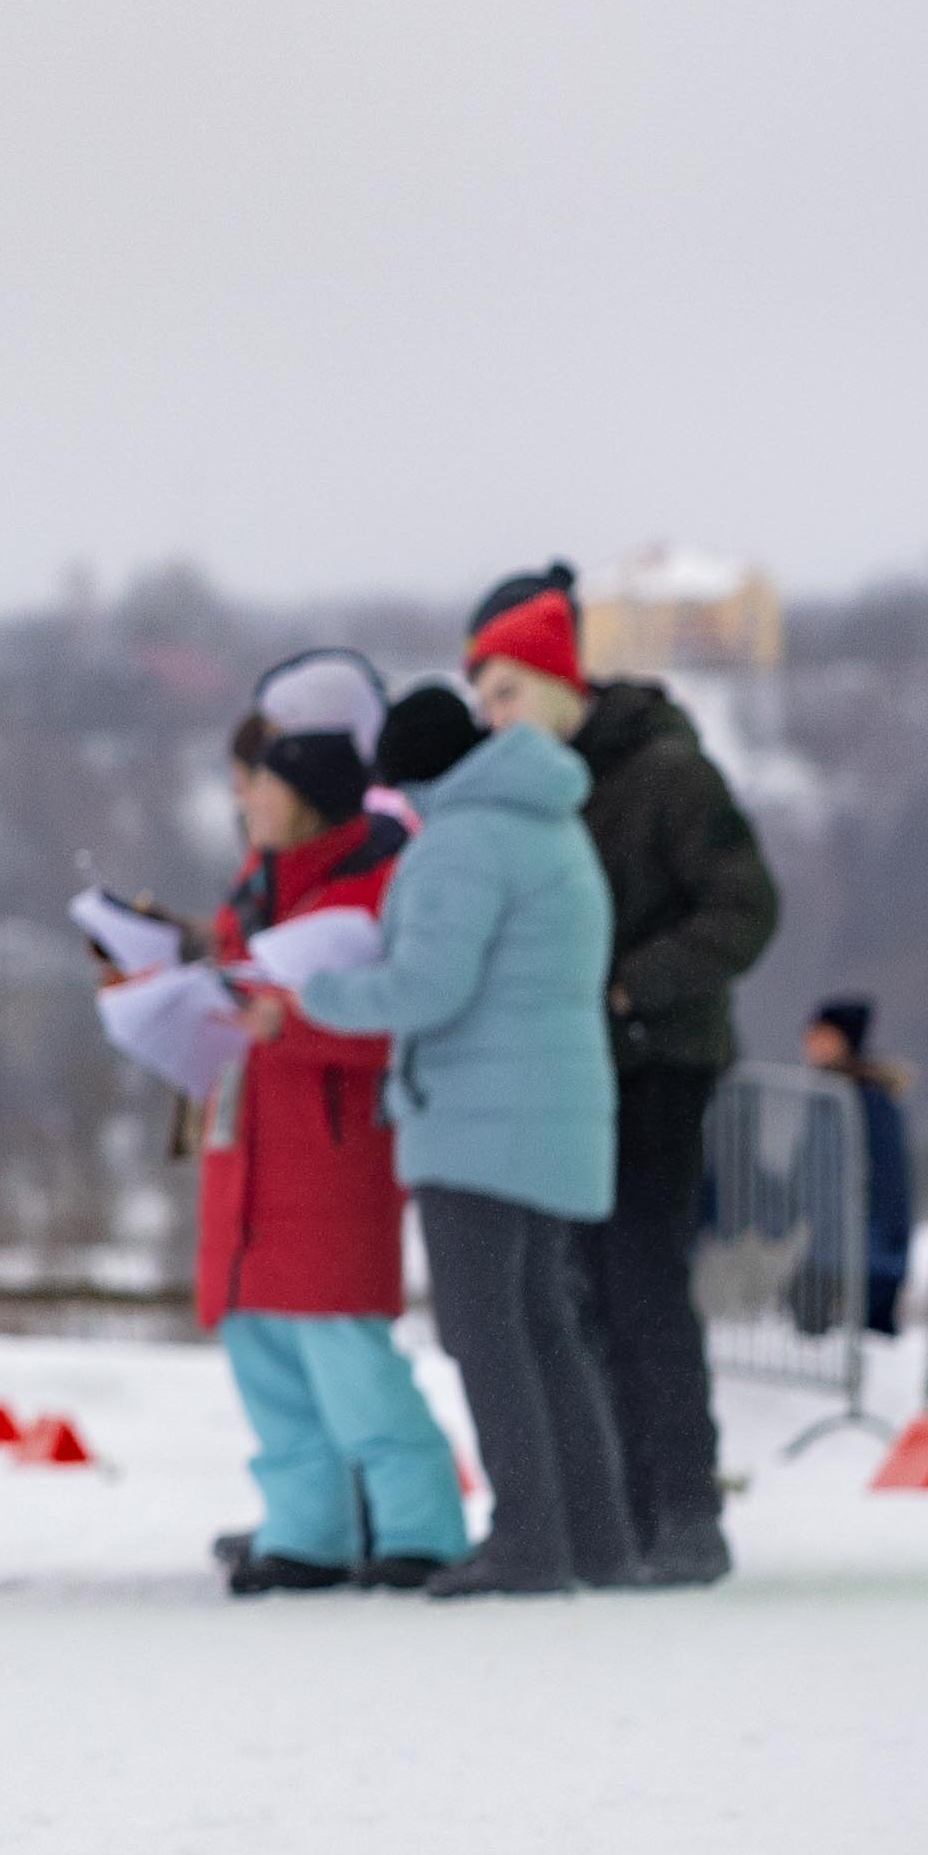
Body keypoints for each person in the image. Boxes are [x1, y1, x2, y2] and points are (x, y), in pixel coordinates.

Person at [256, 681, 633, 1596]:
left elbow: (428, 987)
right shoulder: (548, 821)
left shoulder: (460, 841)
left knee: (488, 1335)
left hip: (478, 1124)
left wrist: (314, 996)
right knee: (546, 1328)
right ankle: (594, 1540)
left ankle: (529, 1544)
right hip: (555, 1114)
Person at [462, 567, 777, 1587]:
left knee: (643, 1284)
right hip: (575, 1071)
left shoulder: (666, 775)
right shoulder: (535, 791)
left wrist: (634, 986)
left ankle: (685, 1507)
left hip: (661, 1065)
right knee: (581, 1290)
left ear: (559, 683)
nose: (493, 719)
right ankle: (624, 1507)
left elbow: (746, 908)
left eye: (507, 693)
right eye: (483, 701)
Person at [190, 700, 464, 1592]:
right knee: (264, 1352)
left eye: (259, 787)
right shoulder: (255, 888)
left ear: (304, 796)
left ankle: (420, 1526)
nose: (244, 801)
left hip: (328, 1155)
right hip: (246, 1147)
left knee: (348, 1357)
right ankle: (306, 1531)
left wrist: (292, 1021)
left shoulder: (376, 892)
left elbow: (402, 1022)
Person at [806, 993, 917, 1339]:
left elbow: (889, 1177)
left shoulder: (868, 1099)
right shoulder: (825, 1095)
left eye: (820, 1033)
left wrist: (890, 1247)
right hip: (826, 1251)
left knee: (867, 1349)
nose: (809, 1041)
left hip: (868, 1256)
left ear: (843, 1040)